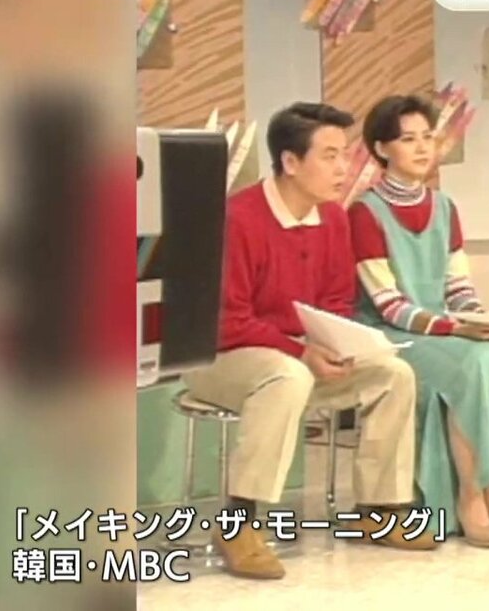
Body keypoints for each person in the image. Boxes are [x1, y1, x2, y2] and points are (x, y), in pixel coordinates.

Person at [185, 102, 439, 581]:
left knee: (393, 374)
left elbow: (336, 301)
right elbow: (227, 321)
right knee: (287, 375)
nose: (344, 168)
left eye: (345, 154)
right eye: (329, 156)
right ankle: (239, 522)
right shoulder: (238, 218)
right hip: (221, 360)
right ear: (290, 161)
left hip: (297, 358)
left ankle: (380, 509)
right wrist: (300, 350)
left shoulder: (333, 219)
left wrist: (338, 343)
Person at [348, 94, 489, 548]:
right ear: (381, 149)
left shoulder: (445, 207)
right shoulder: (364, 213)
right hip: (391, 333)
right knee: (470, 365)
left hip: (439, 326)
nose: (422, 148)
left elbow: (458, 288)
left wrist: (481, 318)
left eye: (428, 137)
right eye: (408, 139)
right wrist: (456, 329)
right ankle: (472, 499)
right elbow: (390, 306)